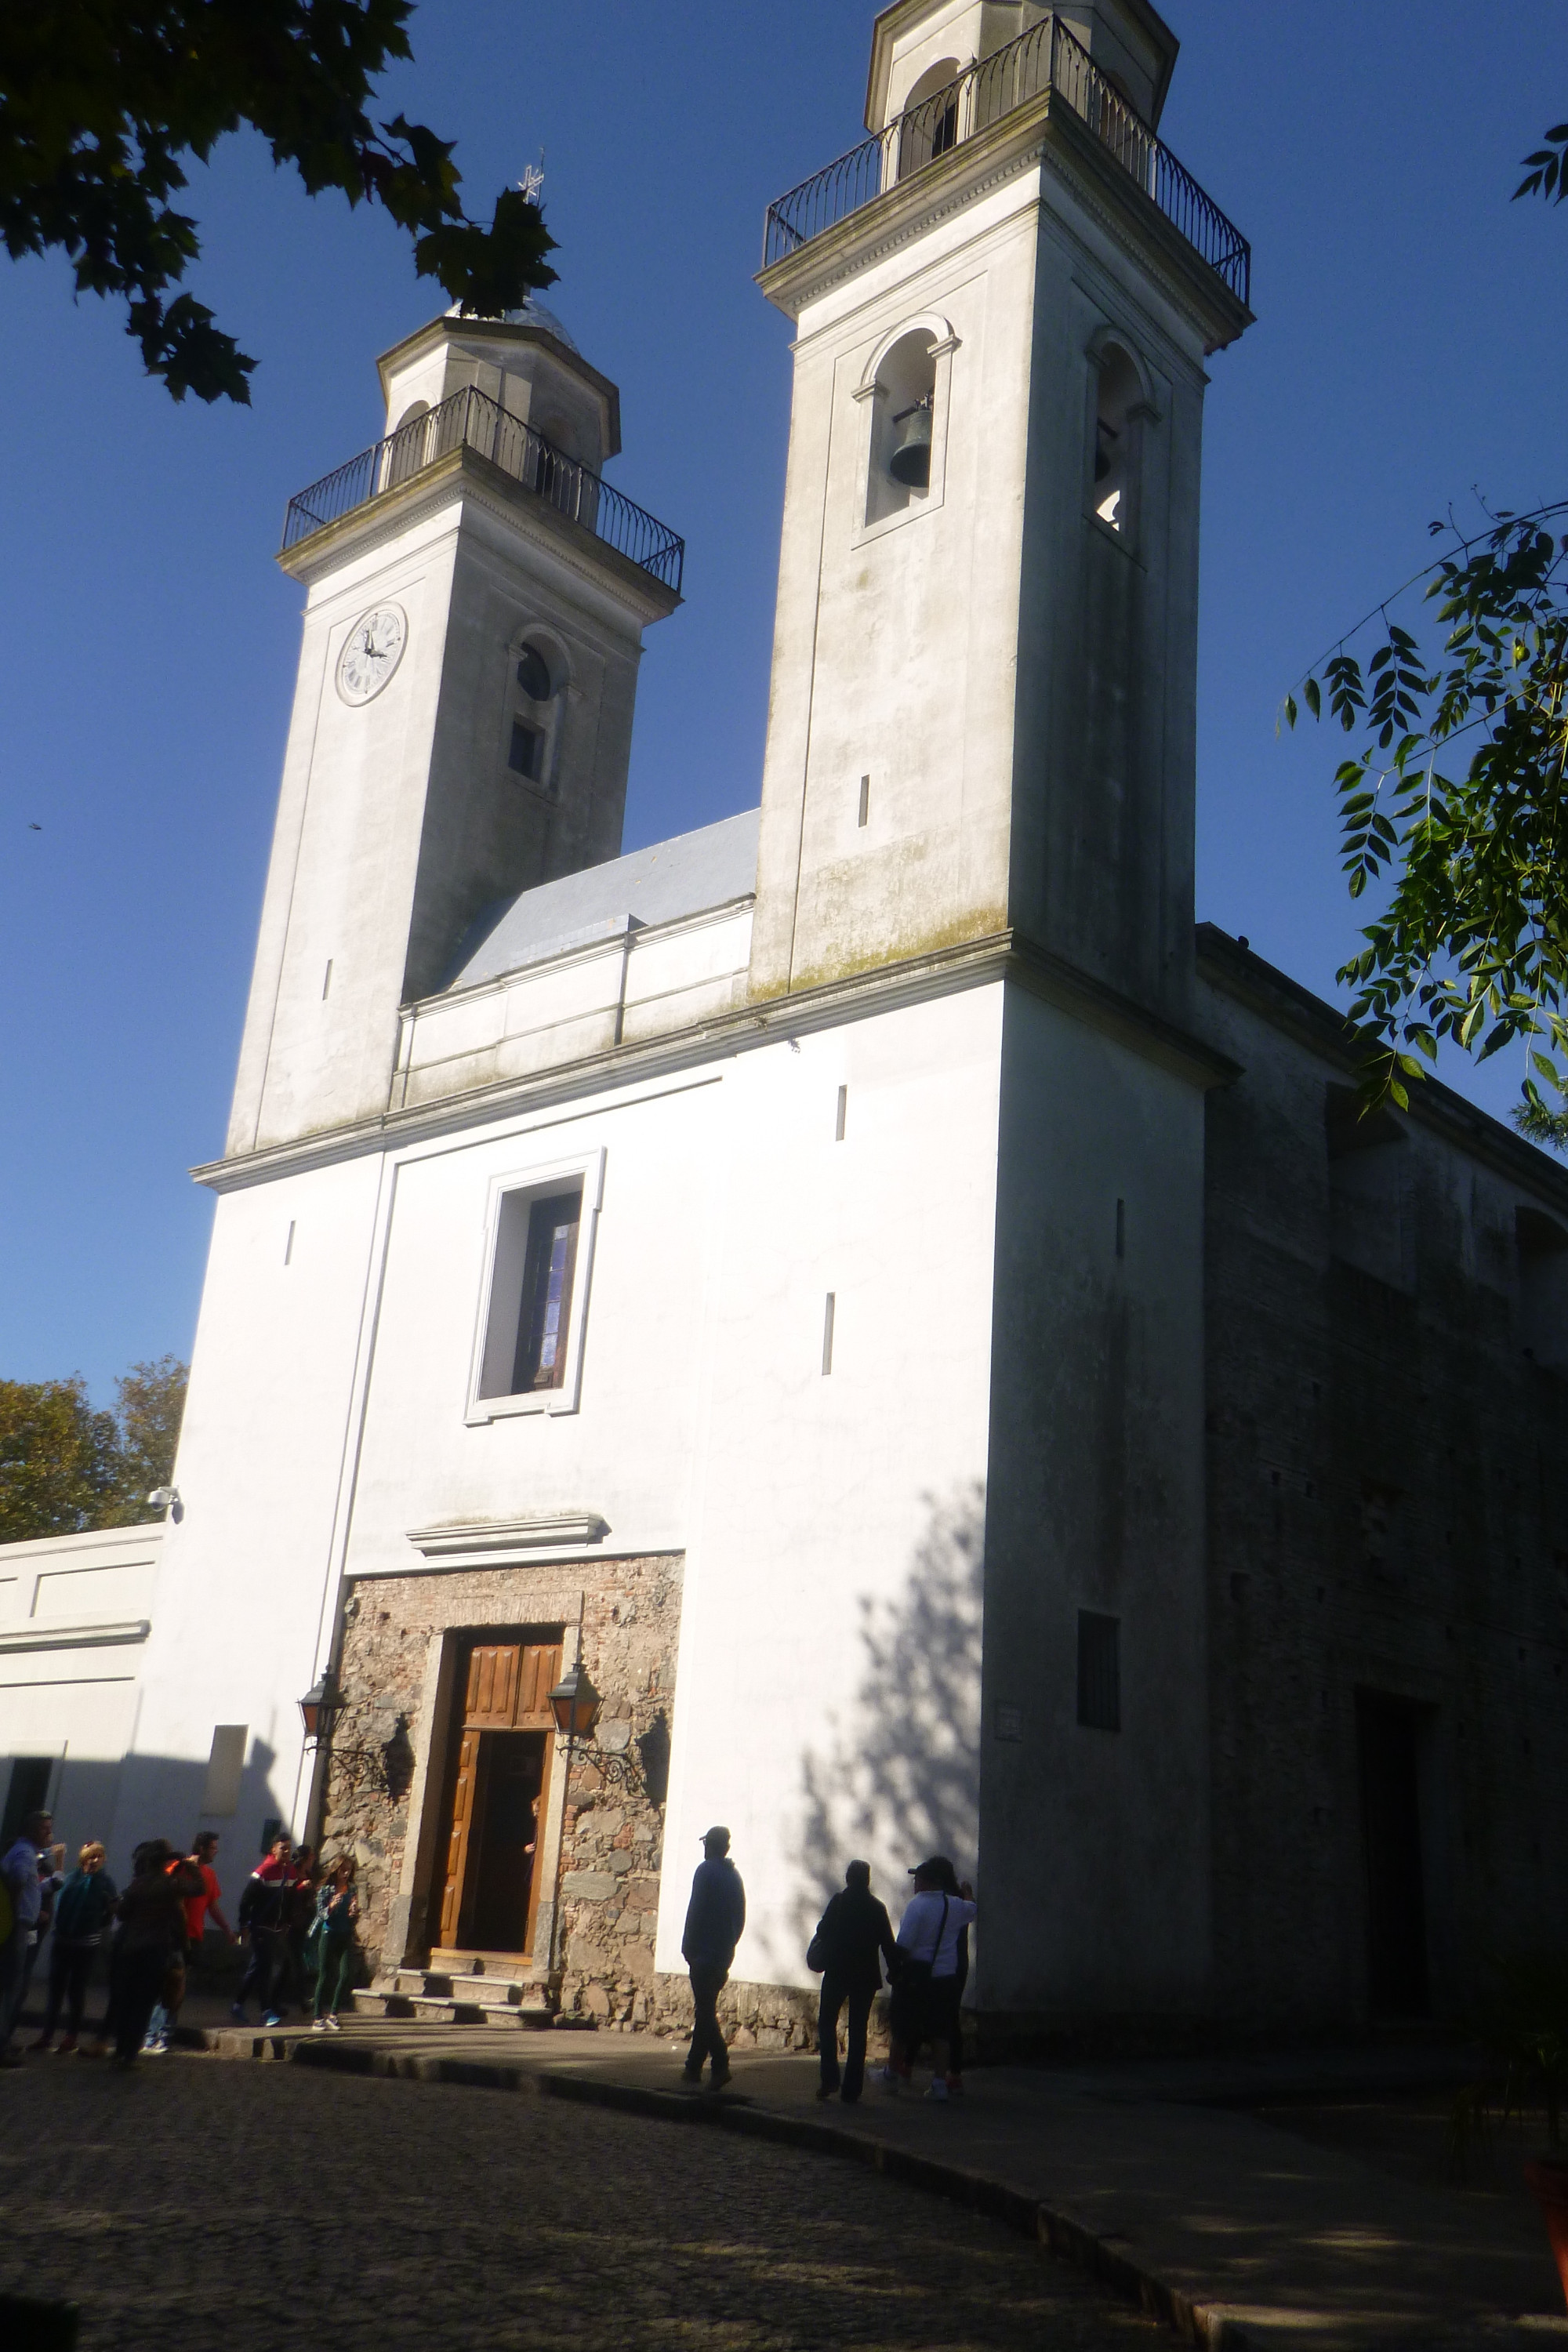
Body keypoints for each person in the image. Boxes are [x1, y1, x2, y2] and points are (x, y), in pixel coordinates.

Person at [884, 1856, 977, 2102]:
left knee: (903, 2027)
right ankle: (939, 2082)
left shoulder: (918, 1905)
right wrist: (968, 1893)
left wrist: (894, 1968)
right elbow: (972, 1909)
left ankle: (892, 2073)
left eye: (919, 1878)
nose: (915, 1882)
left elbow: (904, 1945)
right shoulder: (955, 1905)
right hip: (946, 1977)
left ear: (929, 1881)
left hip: (917, 1975)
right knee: (941, 2031)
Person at [103, 1840, 203, 2067]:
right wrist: (190, 1865)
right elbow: (200, 1888)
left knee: (127, 2001)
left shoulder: (137, 1885)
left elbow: (123, 1914)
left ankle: (120, 2049)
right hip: (156, 1949)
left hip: (131, 1949)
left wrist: (113, 1906)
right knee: (144, 2003)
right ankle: (130, 2054)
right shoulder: (171, 1884)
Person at [808, 1860, 898, 2105]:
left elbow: (823, 1930)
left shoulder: (838, 1902)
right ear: (867, 1880)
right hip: (865, 1977)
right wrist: (895, 1971)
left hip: (837, 1972)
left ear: (848, 1878)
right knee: (858, 2031)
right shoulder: (877, 1908)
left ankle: (829, 2078)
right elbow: (888, 1944)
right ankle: (852, 2089)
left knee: (826, 2022)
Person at [143, 1830, 235, 2056]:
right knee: (167, 1986)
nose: (216, 1852)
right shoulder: (179, 1868)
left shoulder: (210, 1875)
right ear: (202, 1848)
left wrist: (226, 1930)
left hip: (194, 1938)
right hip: (173, 1935)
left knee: (177, 1989)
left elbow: (212, 1905)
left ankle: (162, 2034)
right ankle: (156, 2035)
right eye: (213, 1848)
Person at [33, 1842, 118, 2053]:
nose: (95, 1860)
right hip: (62, 1940)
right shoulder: (72, 1877)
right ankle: (47, 2035)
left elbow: (111, 1911)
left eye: (99, 1856)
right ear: (83, 1859)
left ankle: (71, 2035)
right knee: (55, 1991)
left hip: (86, 1945)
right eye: (91, 1856)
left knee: (76, 1990)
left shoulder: (105, 1882)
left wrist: (100, 1922)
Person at [681, 1825, 746, 2091]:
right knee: (704, 2007)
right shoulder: (734, 1876)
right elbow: (740, 1918)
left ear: (711, 1846)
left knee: (706, 2010)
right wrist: (730, 1945)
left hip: (704, 1953)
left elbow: (695, 1910)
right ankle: (693, 2067)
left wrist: (688, 1946)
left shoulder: (705, 1871)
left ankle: (720, 2063)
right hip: (723, 1953)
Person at [0, 1810, 54, 2064]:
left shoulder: (28, 1853)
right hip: (17, 1927)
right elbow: (19, 1880)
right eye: (44, 1828)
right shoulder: (24, 1853)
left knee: (11, 1986)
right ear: (32, 1830)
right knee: (10, 1988)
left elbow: (30, 1885)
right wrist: (17, 1910)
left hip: (20, 1925)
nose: (49, 1833)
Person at [232, 1832, 294, 2025]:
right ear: (273, 1848)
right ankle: (266, 2011)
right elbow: (245, 1901)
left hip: (277, 1928)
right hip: (261, 1927)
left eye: (288, 1848)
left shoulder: (290, 1872)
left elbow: (290, 1900)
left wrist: (287, 1922)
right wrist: (244, 1925)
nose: (286, 1851)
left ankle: (237, 2005)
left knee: (258, 1967)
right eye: (282, 1847)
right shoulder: (263, 1871)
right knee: (265, 1966)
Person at [309, 1856, 360, 2034]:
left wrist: (353, 1912)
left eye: (349, 1870)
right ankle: (317, 2017)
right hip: (328, 1933)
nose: (346, 1874)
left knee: (345, 1974)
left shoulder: (352, 1889)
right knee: (325, 1974)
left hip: (345, 1934)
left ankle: (333, 2014)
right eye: (343, 1870)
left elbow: (353, 1916)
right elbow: (321, 1914)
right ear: (336, 1870)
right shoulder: (326, 1889)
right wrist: (331, 1905)